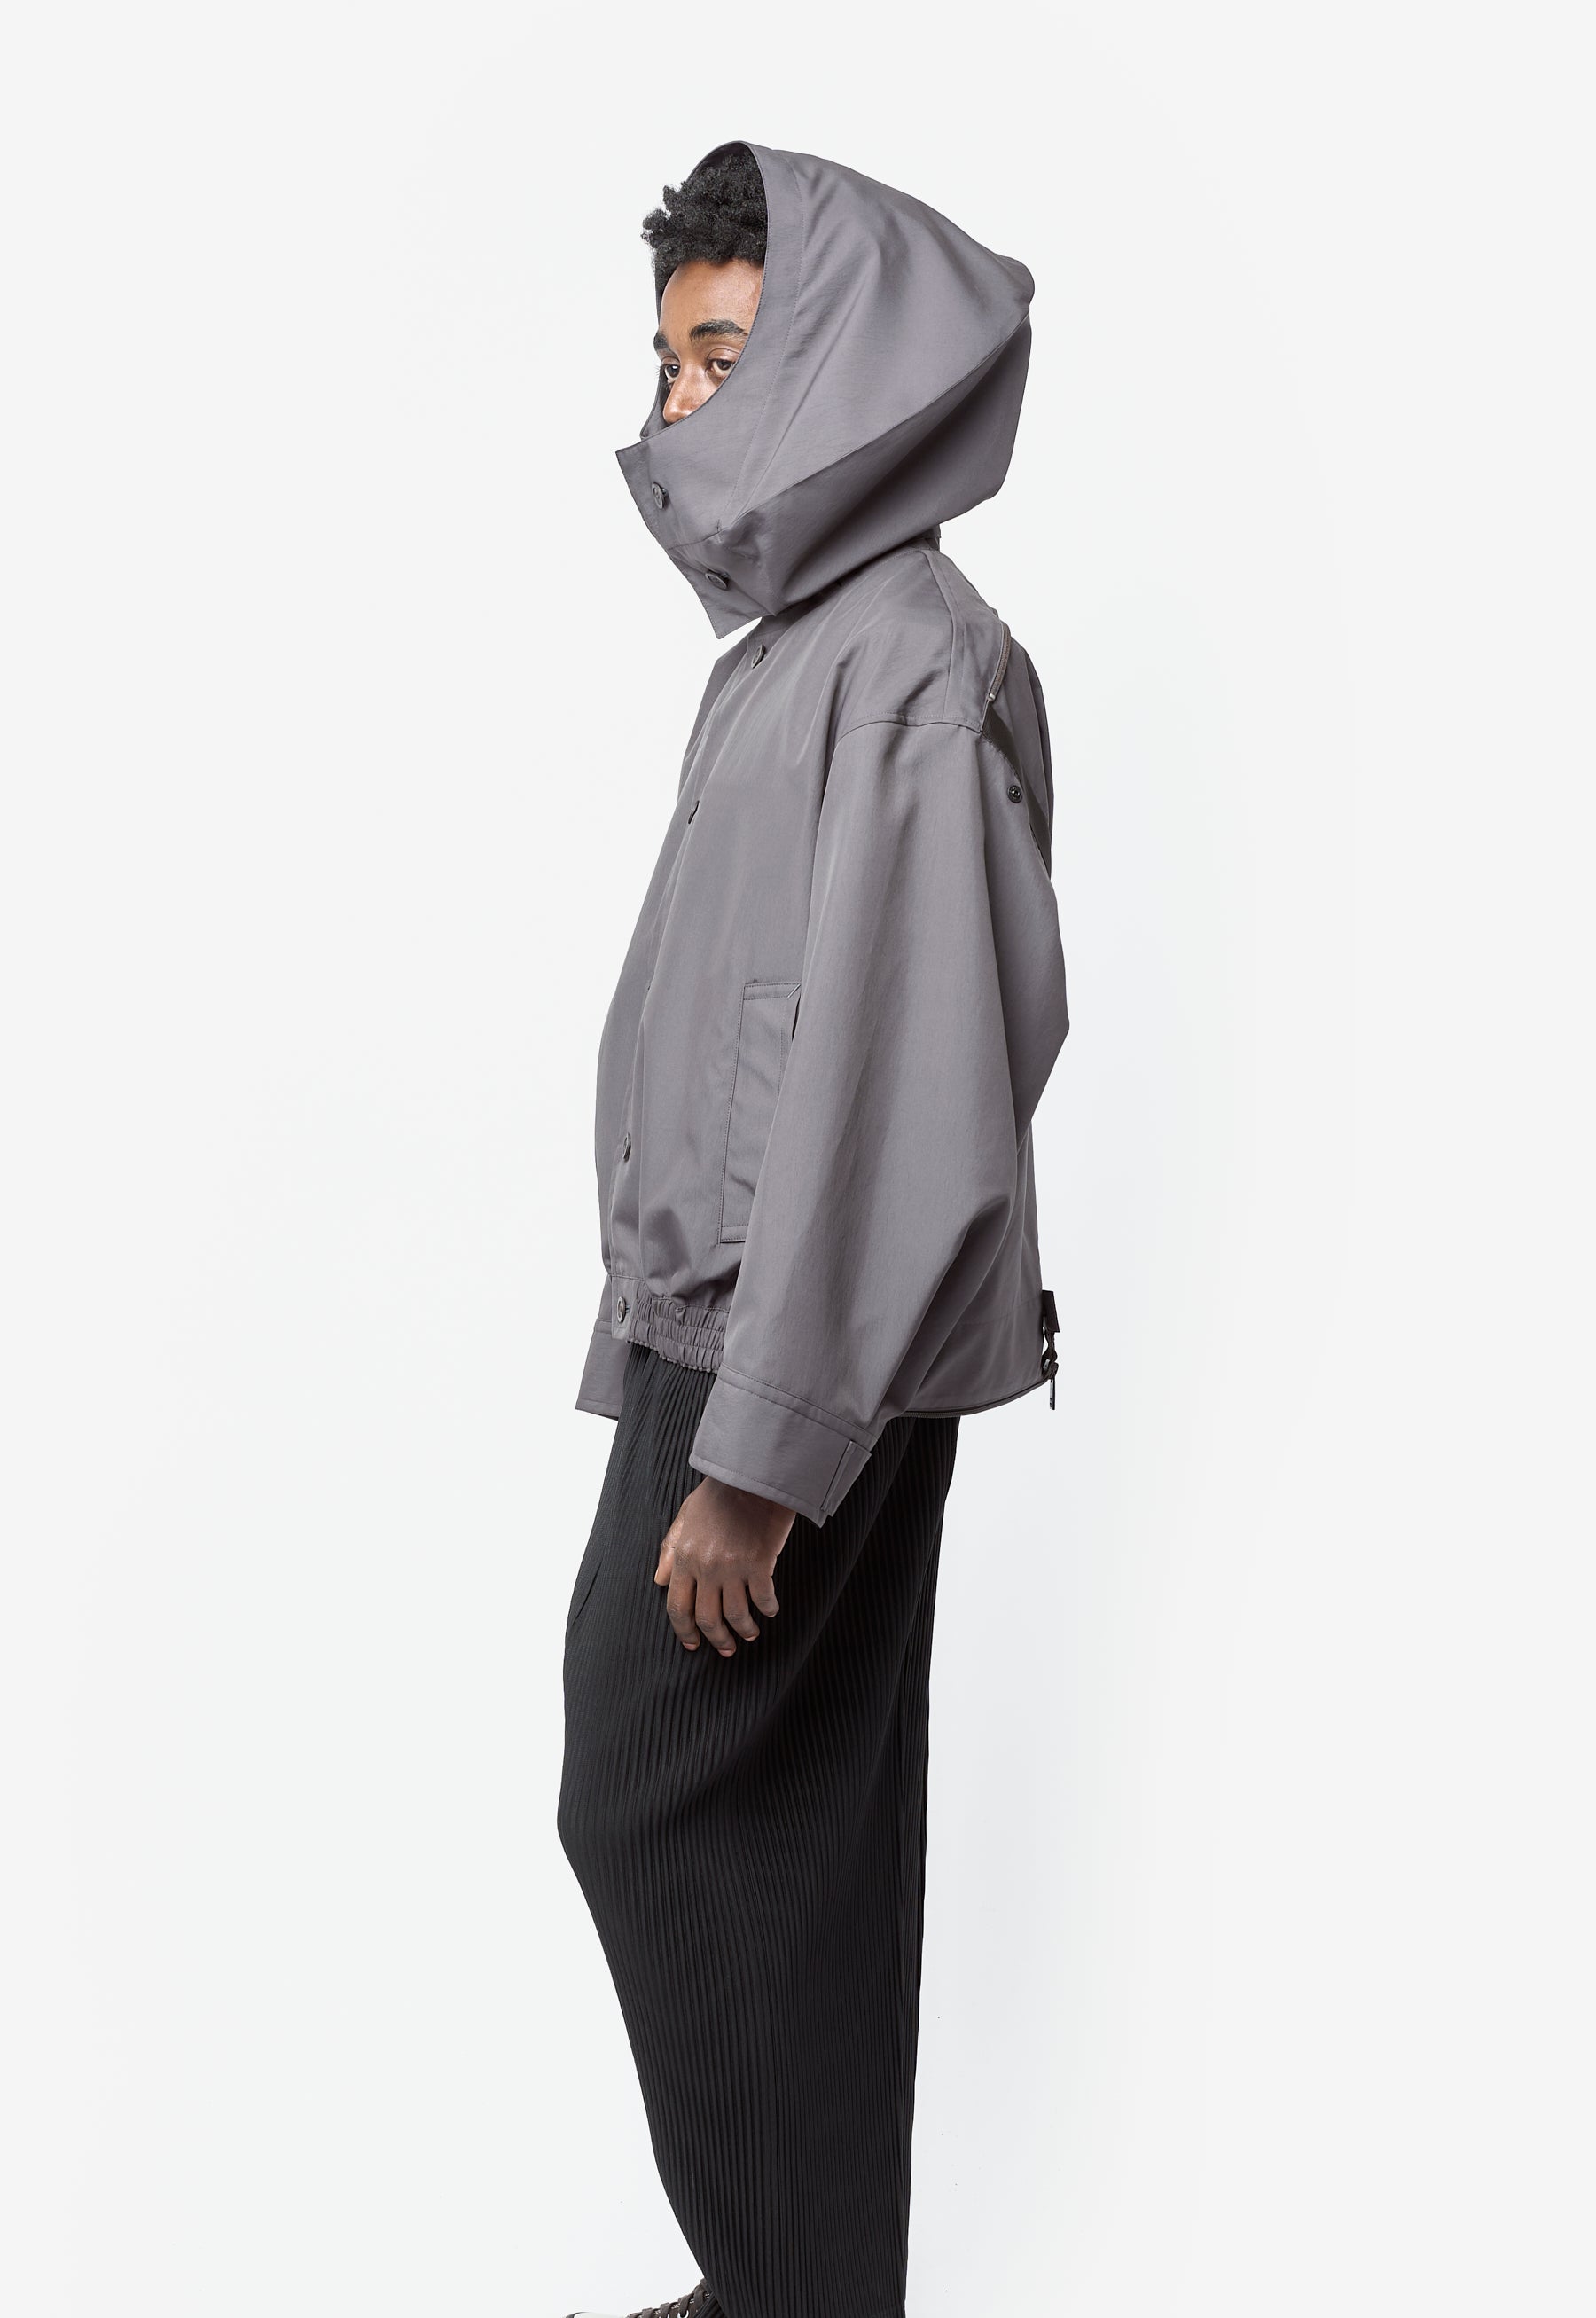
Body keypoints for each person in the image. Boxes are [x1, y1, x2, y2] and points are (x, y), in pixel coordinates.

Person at [558, 139, 1069, 2318]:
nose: (680, 405)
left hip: (790, 1361)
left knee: (644, 1797)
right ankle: (801, 2283)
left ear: (836, 369)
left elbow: (910, 1080)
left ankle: (787, 2290)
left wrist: (763, 1451)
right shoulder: (798, 651)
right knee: (792, 1839)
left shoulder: (913, 665)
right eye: (668, 363)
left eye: (721, 357)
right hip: (738, 1330)